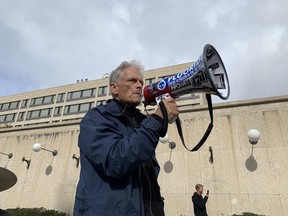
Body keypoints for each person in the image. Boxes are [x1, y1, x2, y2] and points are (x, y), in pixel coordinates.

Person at [73, 60, 179, 216]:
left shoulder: (142, 122)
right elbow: (116, 161)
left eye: (141, 82)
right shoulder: (96, 118)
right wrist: (156, 119)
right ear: (114, 88)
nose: (139, 86)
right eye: (132, 81)